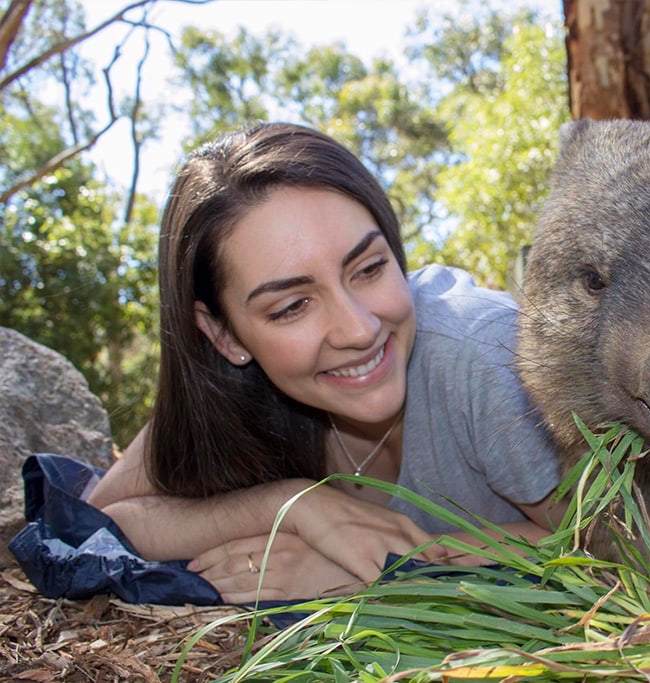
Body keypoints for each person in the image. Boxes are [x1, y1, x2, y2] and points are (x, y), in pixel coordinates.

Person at [86, 122, 564, 605]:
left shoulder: (485, 356)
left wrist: (390, 577)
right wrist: (292, 506)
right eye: (292, 306)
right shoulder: (231, 391)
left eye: (369, 268)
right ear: (224, 335)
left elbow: (621, 546)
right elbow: (100, 519)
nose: (358, 330)